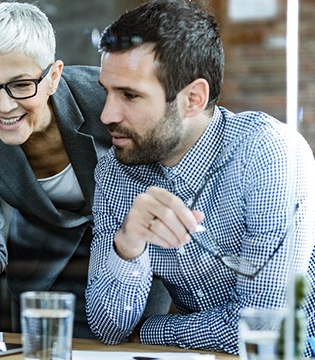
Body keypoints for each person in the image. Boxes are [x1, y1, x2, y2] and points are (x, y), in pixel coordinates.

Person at [86, 0, 315, 355]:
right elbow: (107, 326)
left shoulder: (268, 153)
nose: (106, 114)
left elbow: (265, 324)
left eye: (130, 95)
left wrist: (150, 332)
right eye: (107, 92)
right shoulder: (116, 174)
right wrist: (128, 244)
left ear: (193, 98)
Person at [0, 2, 170, 339]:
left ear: (53, 77)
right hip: (44, 267)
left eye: (21, 85)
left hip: (131, 258)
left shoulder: (102, 98)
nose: (3, 106)